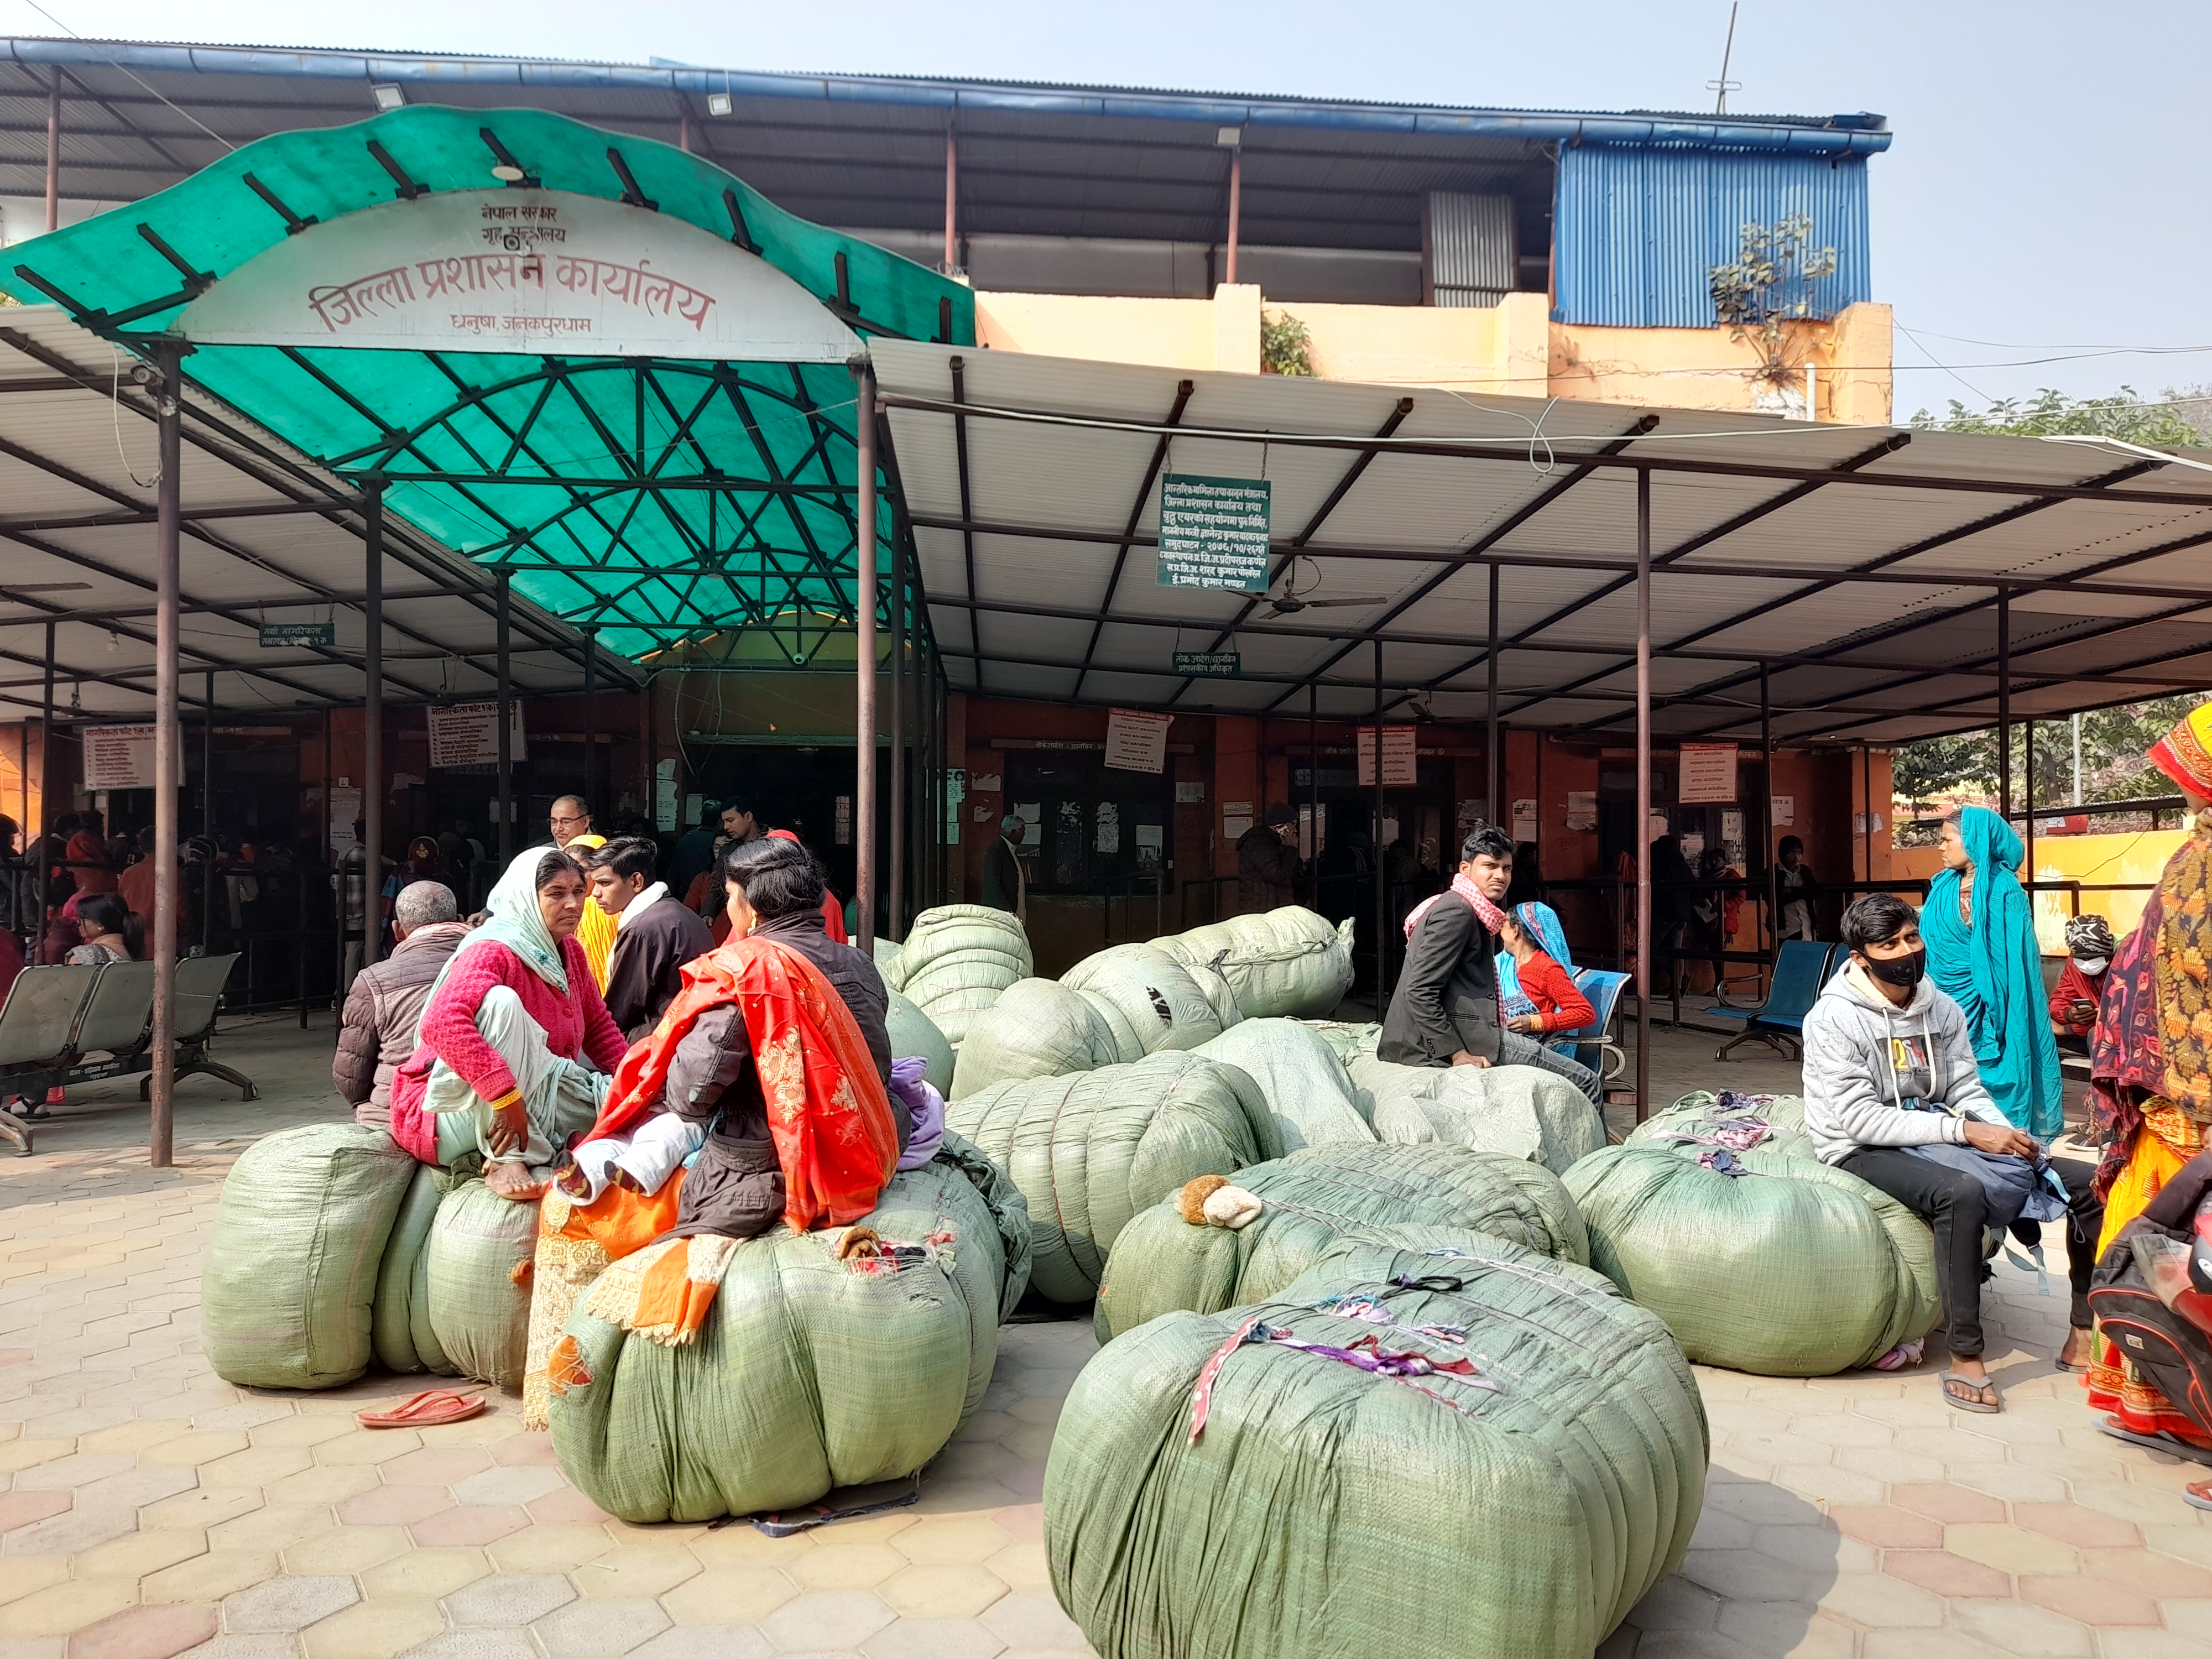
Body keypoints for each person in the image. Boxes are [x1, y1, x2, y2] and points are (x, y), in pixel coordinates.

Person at [567, 833, 900, 1234]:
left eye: (728, 895)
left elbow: (692, 1094)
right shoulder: (861, 963)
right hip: (866, 1142)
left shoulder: (745, 971)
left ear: (753, 907)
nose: (727, 907)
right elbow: (878, 1062)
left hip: (762, 1165)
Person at [1802, 893, 2051, 1413]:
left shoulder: (1941, 1007)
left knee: (2076, 1179)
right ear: (1860, 958)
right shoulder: (1832, 1019)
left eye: (1911, 938)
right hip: (1857, 1145)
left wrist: (2009, 1135)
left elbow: (1964, 1087)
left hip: (1929, 1130)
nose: (1905, 951)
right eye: (1888, 944)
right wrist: (1964, 1133)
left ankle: (2080, 1335)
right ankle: (1966, 1357)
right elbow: (1860, 1119)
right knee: (1960, 1193)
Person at [2083, 703, 2212, 1484]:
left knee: (2167, 1255)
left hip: (2181, 1111)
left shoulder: (2198, 869)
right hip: (2177, 1104)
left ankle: (2171, 1407)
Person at [385, 847, 629, 1201]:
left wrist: (635, 1080)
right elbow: (441, 1022)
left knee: (623, 1110)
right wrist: (504, 1096)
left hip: (532, 1096)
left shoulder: (570, 952)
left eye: (579, 891)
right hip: (452, 1112)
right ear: (527, 898)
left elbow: (599, 1027)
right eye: (557, 894)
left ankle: (548, 1136)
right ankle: (506, 1159)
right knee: (503, 1004)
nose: (574, 904)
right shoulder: (495, 949)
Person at [1380, 825, 1601, 1104]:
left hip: (1471, 1031)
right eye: (1490, 866)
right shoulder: (1457, 911)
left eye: (1506, 868)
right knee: (1587, 1082)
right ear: (1465, 868)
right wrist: (1458, 1054)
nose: (1500, 876)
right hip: (1448, 1041)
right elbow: (1419, 990)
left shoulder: (1465, 907)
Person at [1922, 805, 2064, 1142]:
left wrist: (2000, 1008)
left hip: (1993, 1003)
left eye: (1948, 840)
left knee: (1994, 1068)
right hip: (1940, 998)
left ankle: (2007, 1141)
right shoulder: (1942, 886)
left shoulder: (2004, 890)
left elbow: (2013, 962)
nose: (1941, 847)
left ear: (1974, 840)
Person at [335, 880, 471, 1128]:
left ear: (398, 931)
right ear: (460, 920)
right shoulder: (497, 964)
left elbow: (351, 1072)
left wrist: (369, 1105)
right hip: (479, 1113)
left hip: (398, 1115)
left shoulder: (373, 980)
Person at [586, 835, 713, 1042]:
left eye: (605, 883)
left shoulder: (645, 928)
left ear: (636, 881)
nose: (596, 893)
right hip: (687, 1029)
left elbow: (621, 1011)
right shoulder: (675, 911)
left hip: (661, 1037)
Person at [1495, 905, 1601, 1099]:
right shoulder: (1504, 963)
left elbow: (1585, 1013)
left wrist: (1534, 1022)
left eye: (1503, 925)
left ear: (1516, 930)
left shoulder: (1546, 969)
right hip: (1504, 1042)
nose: (1498, 932)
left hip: (1529, 1051)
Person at [546, 795, 615, 992]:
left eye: (566, 821)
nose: (558, 828)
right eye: (553, 822)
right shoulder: (540, 854)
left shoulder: (603, 907)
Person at [2050, 913, 2115, 1051]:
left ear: (2109, 954)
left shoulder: (2124, 963)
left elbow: (2121, 1017)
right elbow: (2059, 1000)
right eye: (2081, 959)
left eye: (2093, 958)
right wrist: (2069, 1014)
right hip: (2084, 1029)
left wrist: (2069, 1029)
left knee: (2095, 1035)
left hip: (2113, 1035)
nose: (2087, 965)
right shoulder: (2074, 965)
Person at [1648, 833, 1696, 997]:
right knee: (1676, 950)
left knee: (1649, 950)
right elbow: (1693, 890)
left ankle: (1677, 977)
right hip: (1682, 915)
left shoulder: (1660, 865)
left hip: (1664, 913)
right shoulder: (1682, 866)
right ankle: (1677, 985)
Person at [116, 826, 187, 935]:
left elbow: (121, 905)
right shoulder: (174, 874)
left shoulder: (128, 873)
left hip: (134, 935)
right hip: (165, 937)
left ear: (141, 847)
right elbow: (180, 911)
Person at [1238, 805, 1299, 912]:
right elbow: (1276, 875)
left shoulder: (1274, 842)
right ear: (1280, 826)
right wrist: (1291, 848)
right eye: (1293, 825)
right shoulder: (1261, 843)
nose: (1295, 830)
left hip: (1268, 903)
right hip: (1264, 906)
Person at [669, 800, 722, 901]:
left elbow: (673, 877)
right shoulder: (722, 842)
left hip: (687, 901)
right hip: (713, 904)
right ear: (721, 821)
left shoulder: (685, 840)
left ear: (701, 815)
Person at [65, 893, 140, 964]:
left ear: (100, 925)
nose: (78, 922)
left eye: (82, 918)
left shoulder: (83, 956)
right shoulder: (131, 951)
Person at [982, 812, 1027, 918]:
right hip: (1001, 911)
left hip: (1010, 909)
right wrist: (1006, 908)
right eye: (1022, 831)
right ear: (1013, 832)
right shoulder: (997, 849)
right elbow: (993, 880)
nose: (1024, 835)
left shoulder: (1010, 849)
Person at [1776, 836, 1819, 941]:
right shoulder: (1774, 872)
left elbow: (1817, 892)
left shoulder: (1805, 871)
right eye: (1791, 853)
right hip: (1786, 927)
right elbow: (1776, 897)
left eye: (1799, 854)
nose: (1796, 858)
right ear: (1783, 854)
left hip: (1806, 923)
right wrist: (1801, 892)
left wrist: (1792, 892)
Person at [66, 810, 116, 897]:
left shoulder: (86, 837)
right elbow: (97, 857)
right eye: (102, 824)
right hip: (89, 881)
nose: (103, 828)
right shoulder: (85, 838)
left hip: (91, 881)